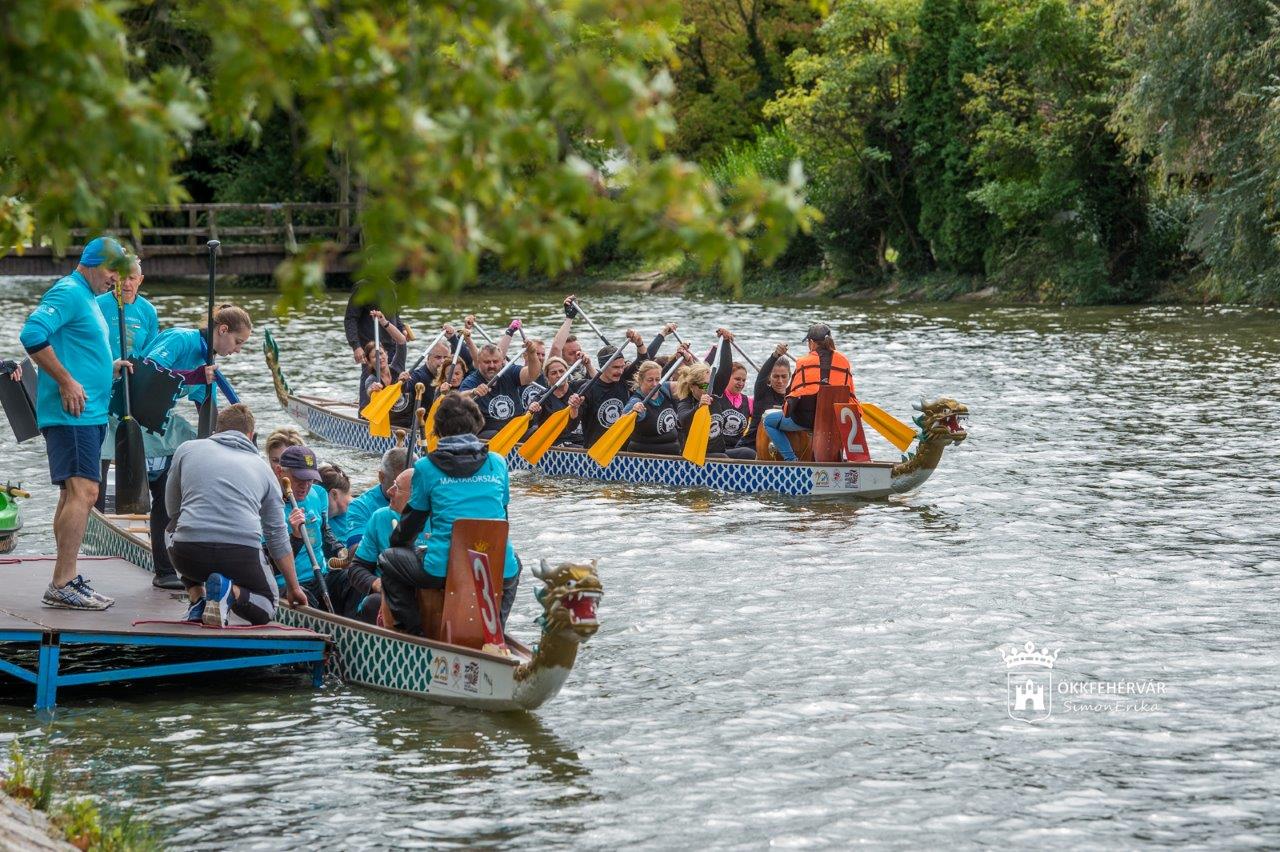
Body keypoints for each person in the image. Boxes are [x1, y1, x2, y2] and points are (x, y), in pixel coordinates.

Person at [19, 236, 129, 610]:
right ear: (95, 262)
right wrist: (66, 380)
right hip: (73, 413)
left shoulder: (88, 297)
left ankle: (65, 577)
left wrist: (106, 368)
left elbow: (77, 347)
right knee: (85, 494)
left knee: (73, 494)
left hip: (89, 412)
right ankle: (62, 582)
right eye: (114, 270)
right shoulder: (68, 291)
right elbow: (32, 335)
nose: (117, 278)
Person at [380, 395, 522, 635]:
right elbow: (502, 520)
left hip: (442, 569)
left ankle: (415, 634)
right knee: (514, 564)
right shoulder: (498, 463)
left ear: (439, 430)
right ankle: (496, 631)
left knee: (388, 558)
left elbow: (411, 524)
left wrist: (399, 545)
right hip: (494, 564)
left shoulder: (425, 467)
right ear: (476, 425)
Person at [139, 303, 253, 588]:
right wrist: (194, 376)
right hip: (134, 419)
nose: (238, 350)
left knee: (168, 498)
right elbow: (148, 372)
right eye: (237, 342)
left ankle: (167, 571)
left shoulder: (207, 361)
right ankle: (164, 570)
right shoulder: (182, 339)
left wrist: (230, 443)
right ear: (222, 330)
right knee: (160, 497)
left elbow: (206, 408)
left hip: (161, 427)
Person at [165, 403, 308, 626]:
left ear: (216, 431)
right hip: (239, 554)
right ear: (250, 436)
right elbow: (277, 536)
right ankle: (230, 592)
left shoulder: (186, 449)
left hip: (189, 554)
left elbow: (172, 509)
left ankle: (197, 598)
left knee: (171, 528)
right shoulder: (263, 469)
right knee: (269, 605)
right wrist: (293, 588)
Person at [95, 255, 161, 510]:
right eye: (122, 278)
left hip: (132, 386)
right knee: (101, 444)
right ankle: (96, 507)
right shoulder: (98, 305)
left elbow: (152, 352)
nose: (126, 284)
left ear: (140, 280)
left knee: (134, 441)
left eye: (132, 278)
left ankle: (135, 502)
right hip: (103, 382)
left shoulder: (147, 311)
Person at [762, 323, 856, 461]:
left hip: (807, 421)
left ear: (811, 342)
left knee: (769, 421)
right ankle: (838, 459)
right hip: (836, 420)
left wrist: (786, 409)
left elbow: (793, 393)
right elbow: (851, 394)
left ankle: (791, 460)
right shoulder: (844, 361)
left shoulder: (803, 362)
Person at [270, 445, 347, 607]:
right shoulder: (267, 505)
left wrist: (340, 550)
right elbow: (269, 567)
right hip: (286, 584)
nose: (305, 486)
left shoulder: (318, 494)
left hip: (320, 576)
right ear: (279, 472)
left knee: (351, 578)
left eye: (310, 479)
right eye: (298, 478)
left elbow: (324, 532)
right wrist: (296, 538)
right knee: (306, 601)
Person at [345, 468, 421, 625]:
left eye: (398, 488)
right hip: (387, 599)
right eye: (393, 484)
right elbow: (356, 568)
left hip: (427, 596)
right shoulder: (381, 517)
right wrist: (377, 584)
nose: (389, 491)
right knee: (372, 603)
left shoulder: (442, 522)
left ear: (417, 497)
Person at [674, 331, 756, 460]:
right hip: (695, 456)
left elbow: (726, 368)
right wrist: (699, 407)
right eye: (704, 385)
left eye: (710, 385)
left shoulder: (715, 394)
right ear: (692, 386)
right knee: (723, 458)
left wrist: (726, 342)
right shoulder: (685, 403)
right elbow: (684, 420)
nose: (708, 389)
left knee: (749, 453)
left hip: (719, 452)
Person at [458, 339, 542, 440]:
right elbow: (459, 399)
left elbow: (532, 375)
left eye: (495, 361)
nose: (492, 366)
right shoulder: (471, 381)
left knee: (537, 430)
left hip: (516, 430)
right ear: (479, 362)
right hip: (489, 436)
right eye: (487, 362)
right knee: (493, 434)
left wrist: (532, 354)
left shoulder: (510, 372)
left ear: (502, 361)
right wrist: (473, 392)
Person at [623, 345, 693, 456]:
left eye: (657, 379)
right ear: (640, 380)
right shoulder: (636, 401)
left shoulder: (665, 388)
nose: (655, 384)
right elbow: (621, 422)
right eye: (650, 380)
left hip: (673, 454)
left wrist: (689, 362)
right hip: (647, 459)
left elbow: (695, 386)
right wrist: (632, 413)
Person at [342, 447, 408, 549]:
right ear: (381, 477)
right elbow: (355, 552)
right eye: (397, 485)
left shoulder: (431, 501)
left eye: (415, 485)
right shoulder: (360, 507)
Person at [344, 280, 407, 368]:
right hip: (372, 350)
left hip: (392, 348)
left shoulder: (391, 285)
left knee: (393, 379)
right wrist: (356, 346)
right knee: (370, 380)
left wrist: (402, 328)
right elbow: (350, 318)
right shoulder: (362, 287)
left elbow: (395, 313)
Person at [524, 355, 584, 443]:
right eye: (553, 373)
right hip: (557, 444)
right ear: (547, 377)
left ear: (567, 372)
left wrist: (589, 365)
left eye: (561, 371)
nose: (559, 375)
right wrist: (531, 411)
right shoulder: (541, 398)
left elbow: (599, 383)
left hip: (581, 440)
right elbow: (528, 424)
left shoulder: (579, 386)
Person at [744, 344, 791, 448]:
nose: (780, 381)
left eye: (783, 376)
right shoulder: (762, 392)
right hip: (751, 446)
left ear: (790, 376)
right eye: (775, 376)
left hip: (779, 447)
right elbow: (762, 375)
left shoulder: (793, 397)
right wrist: (775, 355)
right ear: (769, 377)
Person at [720, 361, 753, 451]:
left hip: (737, 449)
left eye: (744, 380)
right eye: (737, 379)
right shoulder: (716, 395)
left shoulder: (749, 401)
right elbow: (700, 384)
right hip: (717, 449)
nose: (741, 383)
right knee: (748, 453)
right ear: (727, 378)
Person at [319, 463, 354, 545]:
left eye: (320, 500)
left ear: (334, 494)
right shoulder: (321, 518)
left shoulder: (364, 513)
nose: (317, 506)